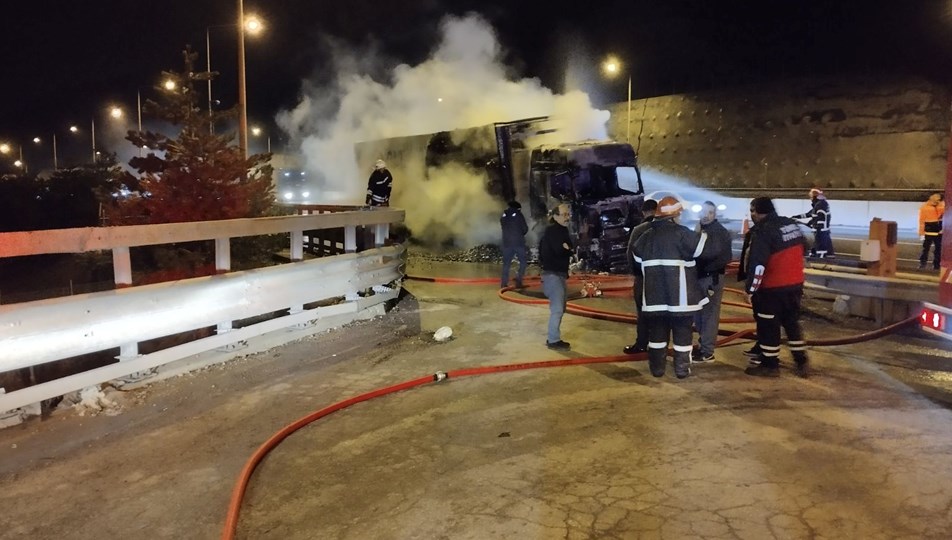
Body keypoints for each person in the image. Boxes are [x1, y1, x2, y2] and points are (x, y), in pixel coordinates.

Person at [631, 196, 709, 379]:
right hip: (680, 300)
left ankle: (657, 369)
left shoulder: (645, 237)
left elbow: (636, 259)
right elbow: (704, 250)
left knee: (657, 335)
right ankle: (681, 370)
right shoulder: (682, 234)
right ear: (674, 216)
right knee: (683, 335)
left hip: (654, 299)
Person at [744, 196, 810, 378]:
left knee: (768, 326)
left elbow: (758, 265)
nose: (751, 215)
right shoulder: (790, 224)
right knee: (791, 323)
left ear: (757, 211)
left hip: (772, 288)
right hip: (795, 285)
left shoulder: (763, 231)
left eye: (752, 211)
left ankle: (770, 364)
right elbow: (806, 246)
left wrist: (751, 289)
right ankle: (801, 361)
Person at [692, 201, 734, 363]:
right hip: (700, 277)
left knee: (709, 315)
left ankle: (707, 351)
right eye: (704, 211)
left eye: (710, 212)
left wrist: (703, 265)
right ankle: (704, 345)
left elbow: (720, 256)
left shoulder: (718, 232)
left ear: (715, 214)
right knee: (699, 314)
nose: (706, 215)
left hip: (710, 279)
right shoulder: (702, 229)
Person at [622, 199, 657, 354]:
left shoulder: (638, 230)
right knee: (660, 314)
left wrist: (636, 273)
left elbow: (630, 254)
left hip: (643, 278)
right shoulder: (670, 229)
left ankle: (642, 343)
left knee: (643, 313)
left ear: (644, 212)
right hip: (662, 279)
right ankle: (658, 345)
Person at [539, 203, 574, 350]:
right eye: (564, 214)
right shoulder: (552, 231)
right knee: (558, 309)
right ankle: (553, 340)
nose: (567, 217)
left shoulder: (563, 231)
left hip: (559, 274)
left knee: (561, 308)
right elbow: (560, 250)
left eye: (568, 214)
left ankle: (554, 338)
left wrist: (568, 249)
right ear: (555, 216)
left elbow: (569, 248)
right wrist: (567, 249)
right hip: (552, 275)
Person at [792, 188, 833, 258]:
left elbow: (818, 217)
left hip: (820, 229)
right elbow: (809, 214)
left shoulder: (819, 205)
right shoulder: (821, 204)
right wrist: (796, 217)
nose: (810, 199)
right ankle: (825, 255)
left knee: (820, 244)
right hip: (823, 229)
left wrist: (811, 224)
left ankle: (820, 258)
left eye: (811, 197)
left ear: (815, 197)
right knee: (822, 243)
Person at [500, 200, 529, 288]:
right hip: (518, 243)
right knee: (523, 262)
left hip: (507, 243)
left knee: (506, 264)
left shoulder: (504, 215)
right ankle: (519, 281)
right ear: (518, 208)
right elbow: (525, 228)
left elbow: (503, 226)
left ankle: (504, 283)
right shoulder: (519, 215)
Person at [918, 192, 944, 271]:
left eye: (938, 197)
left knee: (938, 249)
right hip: (928, 231)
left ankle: (936, 265)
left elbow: (945, 216)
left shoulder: (942, 206)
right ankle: (923, 263)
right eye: (935, 196)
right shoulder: (924, 207)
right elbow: (921, 221)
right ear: (930, 197)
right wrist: (922, 233)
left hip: (939, 231)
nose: (937, 198)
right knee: (925, 249)